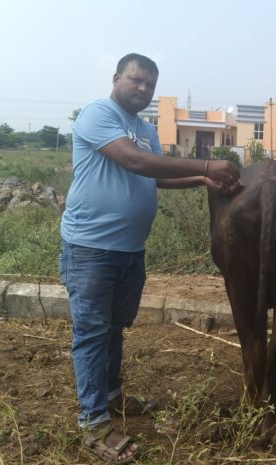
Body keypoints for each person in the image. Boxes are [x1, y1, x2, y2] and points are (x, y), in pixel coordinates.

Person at [59, 53, 240, 463]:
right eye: (135, 80)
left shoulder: (144, 128)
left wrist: (200, 178)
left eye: (149, 85)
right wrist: (208, 161)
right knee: (91, 332)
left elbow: (155, 174)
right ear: (117, 78)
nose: (142, 89)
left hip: (129, 250)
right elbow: (134, 161)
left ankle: (112, 397)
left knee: (114, 328)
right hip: (90, 248)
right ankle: (92, 422)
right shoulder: (97, 114)